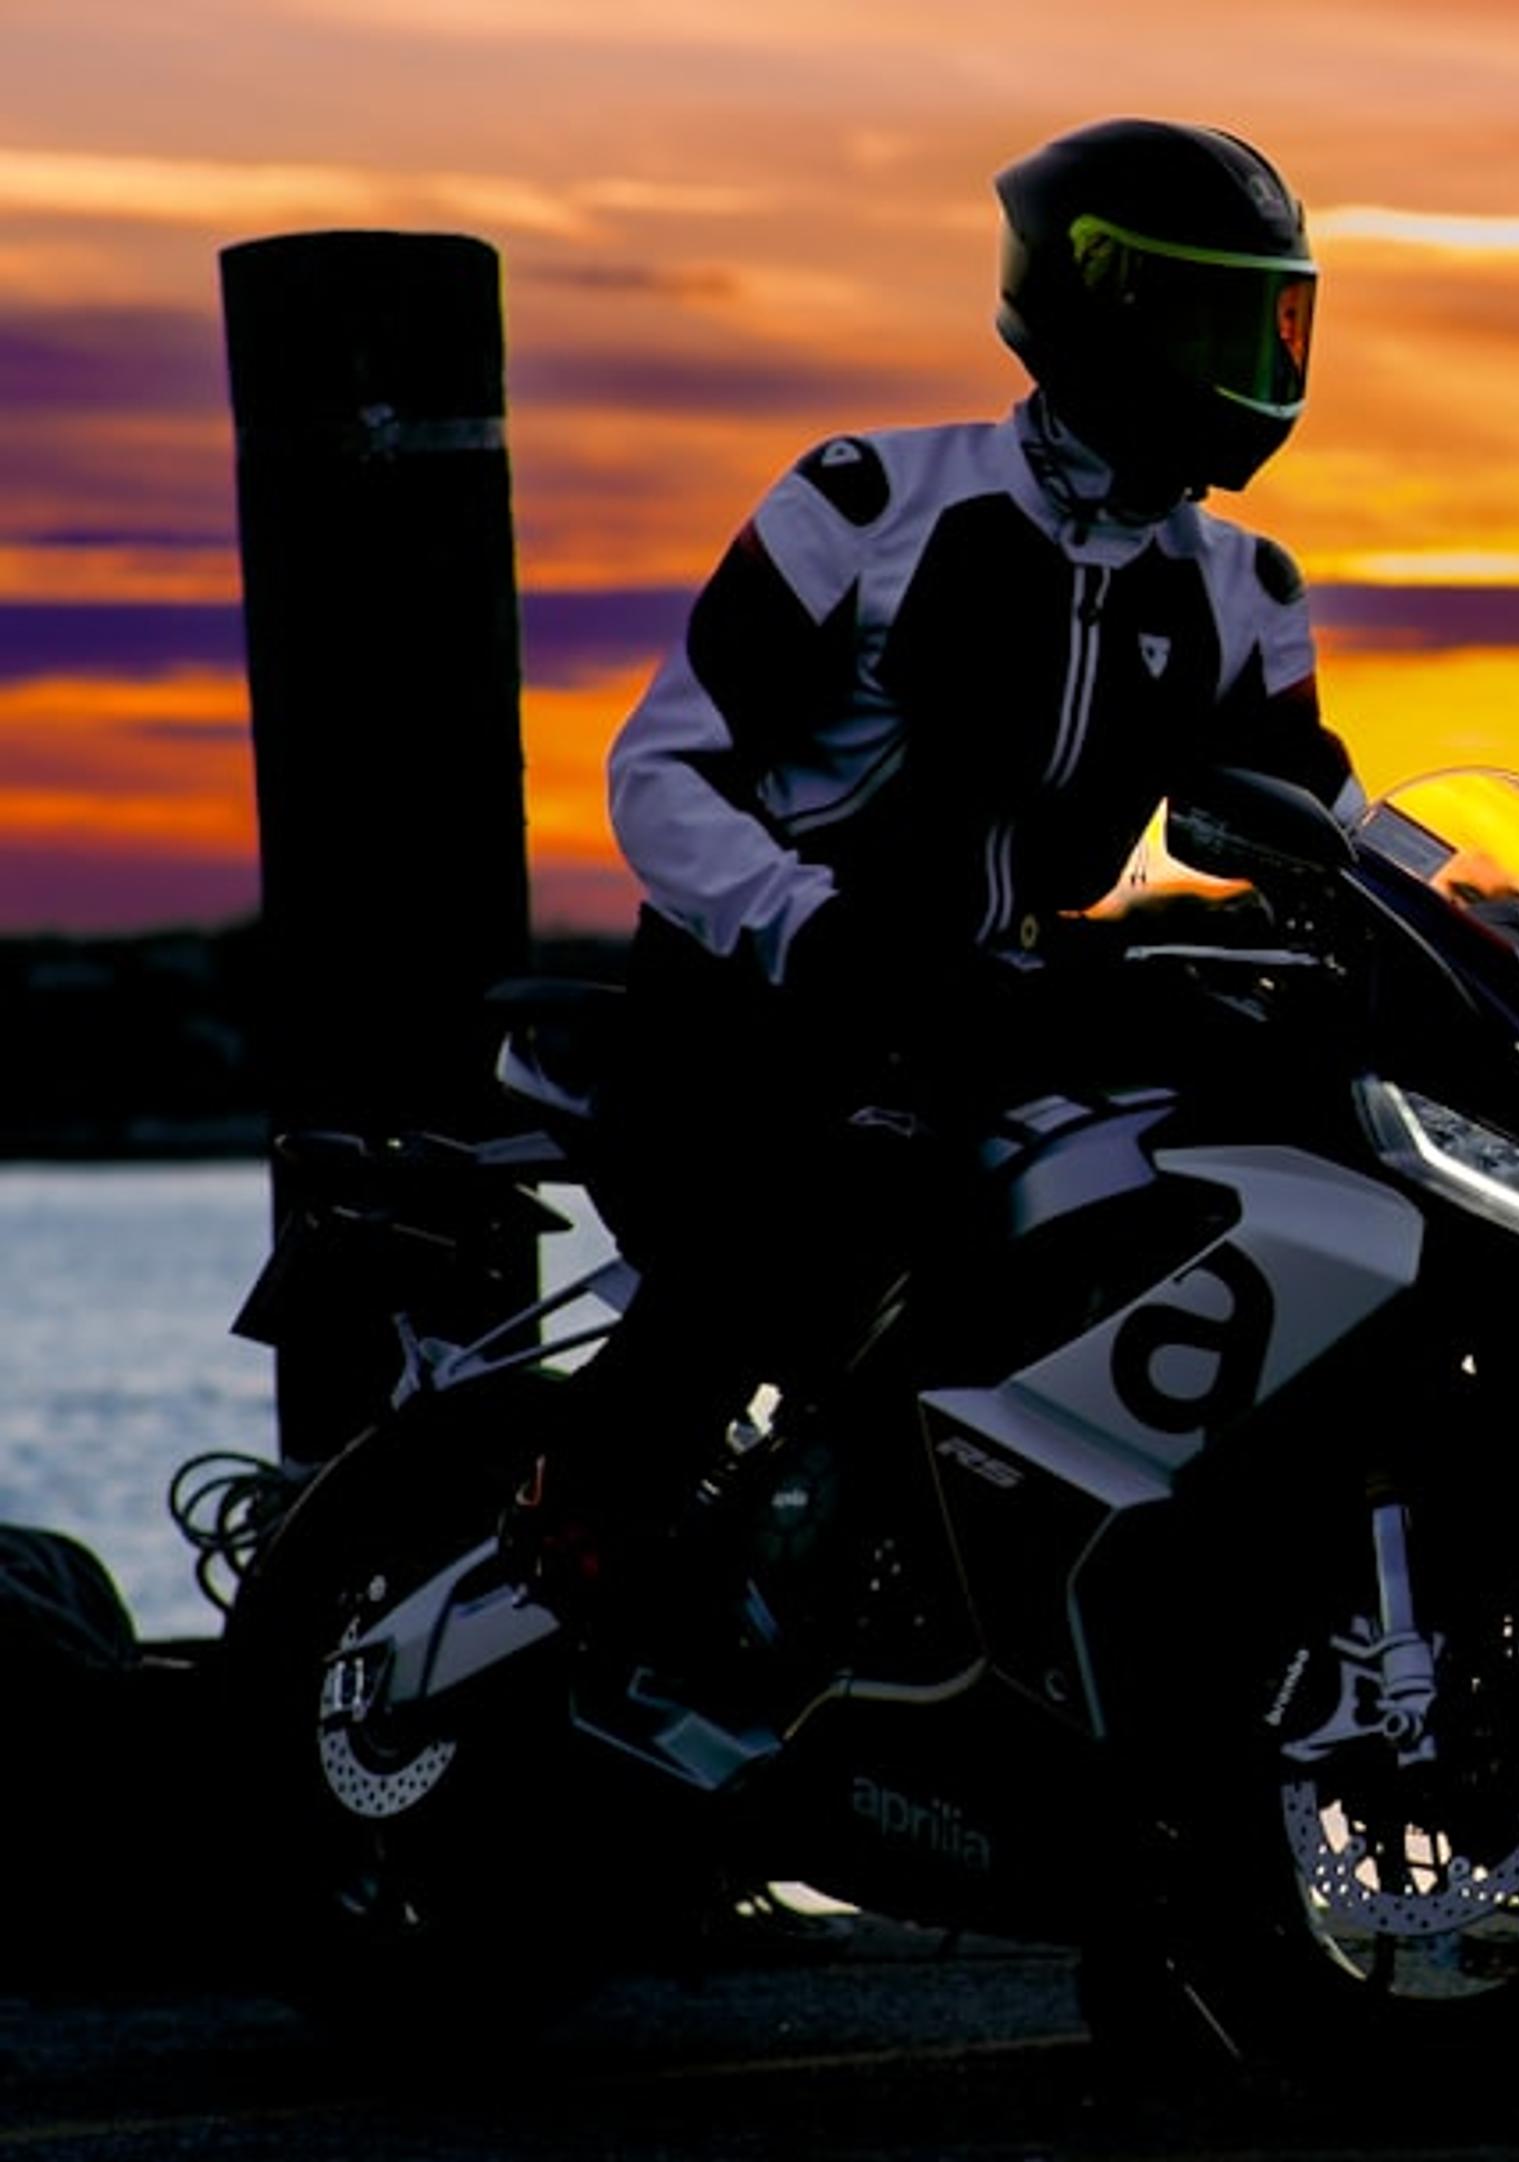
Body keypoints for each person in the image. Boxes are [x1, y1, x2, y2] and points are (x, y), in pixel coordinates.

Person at [531, 116, 1357, 1694]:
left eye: (1272, 315)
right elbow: (660, 769)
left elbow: (1307, 826)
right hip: (770, 995)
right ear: (1091, 302)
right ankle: (597, 1544)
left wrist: (1412, 929)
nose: (1250, 355)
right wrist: (805, 926)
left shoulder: (1247, 591)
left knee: (1215, 1179)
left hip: (1000, 1005)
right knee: (815, 1235)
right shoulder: (869, 502)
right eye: (1211, 314)